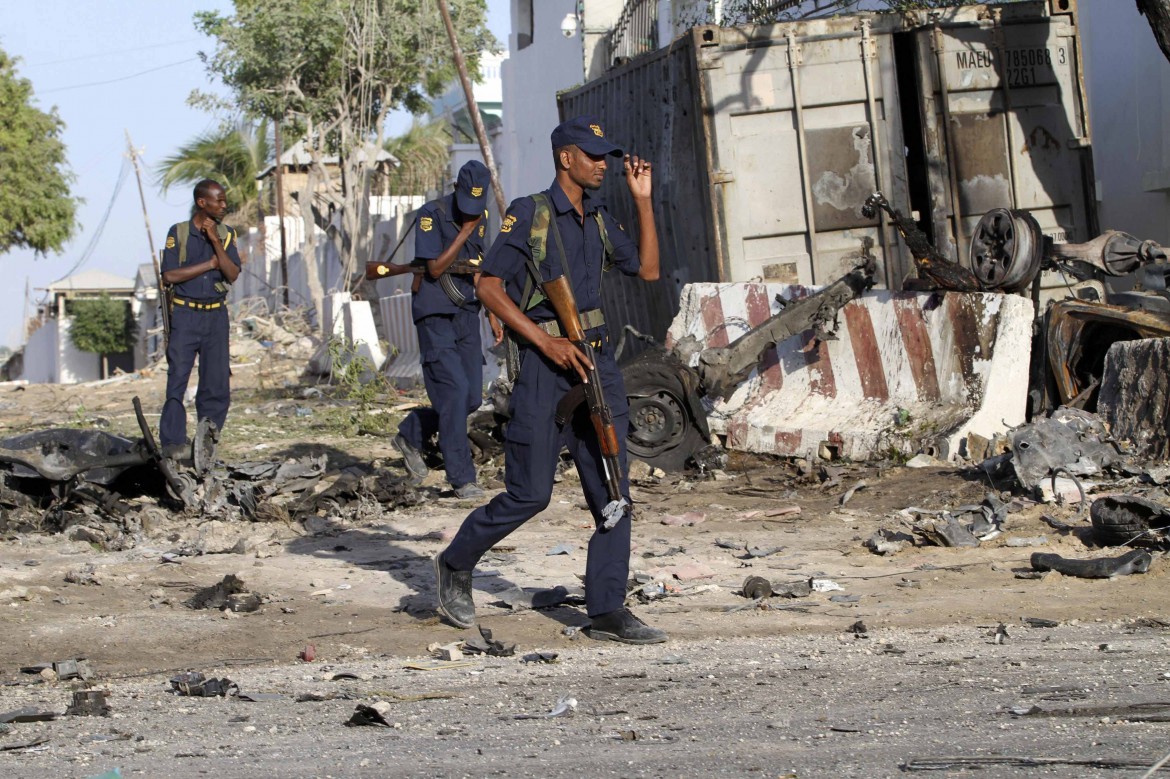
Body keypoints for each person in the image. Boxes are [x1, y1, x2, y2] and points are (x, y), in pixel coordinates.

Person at [433, 116, 666, 644]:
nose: (603, 165)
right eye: (593, 156)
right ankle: (455, 561)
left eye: (607, 157)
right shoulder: (529, 213)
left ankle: (607, 608)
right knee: (529, 494)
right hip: (545, 368)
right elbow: (490, 287)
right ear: (567, 159)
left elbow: (648, 270)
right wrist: (545, 342)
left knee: (613, 488)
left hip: (598, 365)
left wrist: (643, 199)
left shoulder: (602, 216)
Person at [392, 160, 502, 499]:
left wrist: (493, 314)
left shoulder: (482, 217)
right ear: (456, 188)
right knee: (453, 391)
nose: (472, 213)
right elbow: (436, 268)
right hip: (435, 312)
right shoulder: (431, 214)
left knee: (470, 397)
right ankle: (461, 478)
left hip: (467, 312)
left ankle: (412, 431)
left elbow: (480, 268)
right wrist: (464, 231)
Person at [158, 179, 241, 458]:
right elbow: (169, 275)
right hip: (185, 314)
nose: (224, 205)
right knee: (177, 379)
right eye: (219, 200)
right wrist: (208, 264)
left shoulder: (227, 235)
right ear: (202, 203)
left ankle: (206, 443)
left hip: (216, 315)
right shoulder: (178, 233)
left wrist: (216, 242)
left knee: (216, 383)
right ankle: (172, 443)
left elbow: (231, 273)